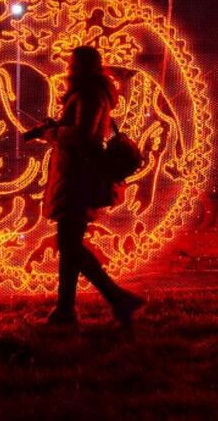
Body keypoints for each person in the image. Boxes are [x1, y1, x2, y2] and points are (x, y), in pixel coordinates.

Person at [23, 45, 145, 326]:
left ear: (85, 66)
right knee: (69, 245)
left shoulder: (89, 93)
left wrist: (53, 133)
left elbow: (83, 137)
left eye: (74, 62)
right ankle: (65, 310)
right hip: (74, 174)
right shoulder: (89, 91)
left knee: (70, 244)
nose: (69, 66)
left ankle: (116, 298)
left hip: (78, 176)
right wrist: (57, 127)